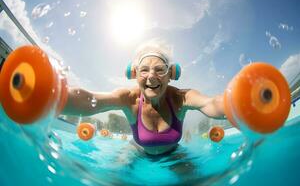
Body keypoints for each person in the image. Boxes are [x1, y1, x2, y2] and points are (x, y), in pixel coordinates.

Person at [62, 39, 225, 155]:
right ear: (134, 74)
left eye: (160, 69)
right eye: (144, 70)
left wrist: (238, 104)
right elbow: (91, 100)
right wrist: (56, 96)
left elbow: (212, 103)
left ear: (171, 75)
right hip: (137, 151)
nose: (151, 77)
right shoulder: (128, 98)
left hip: (173, 153)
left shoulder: (181, 98)